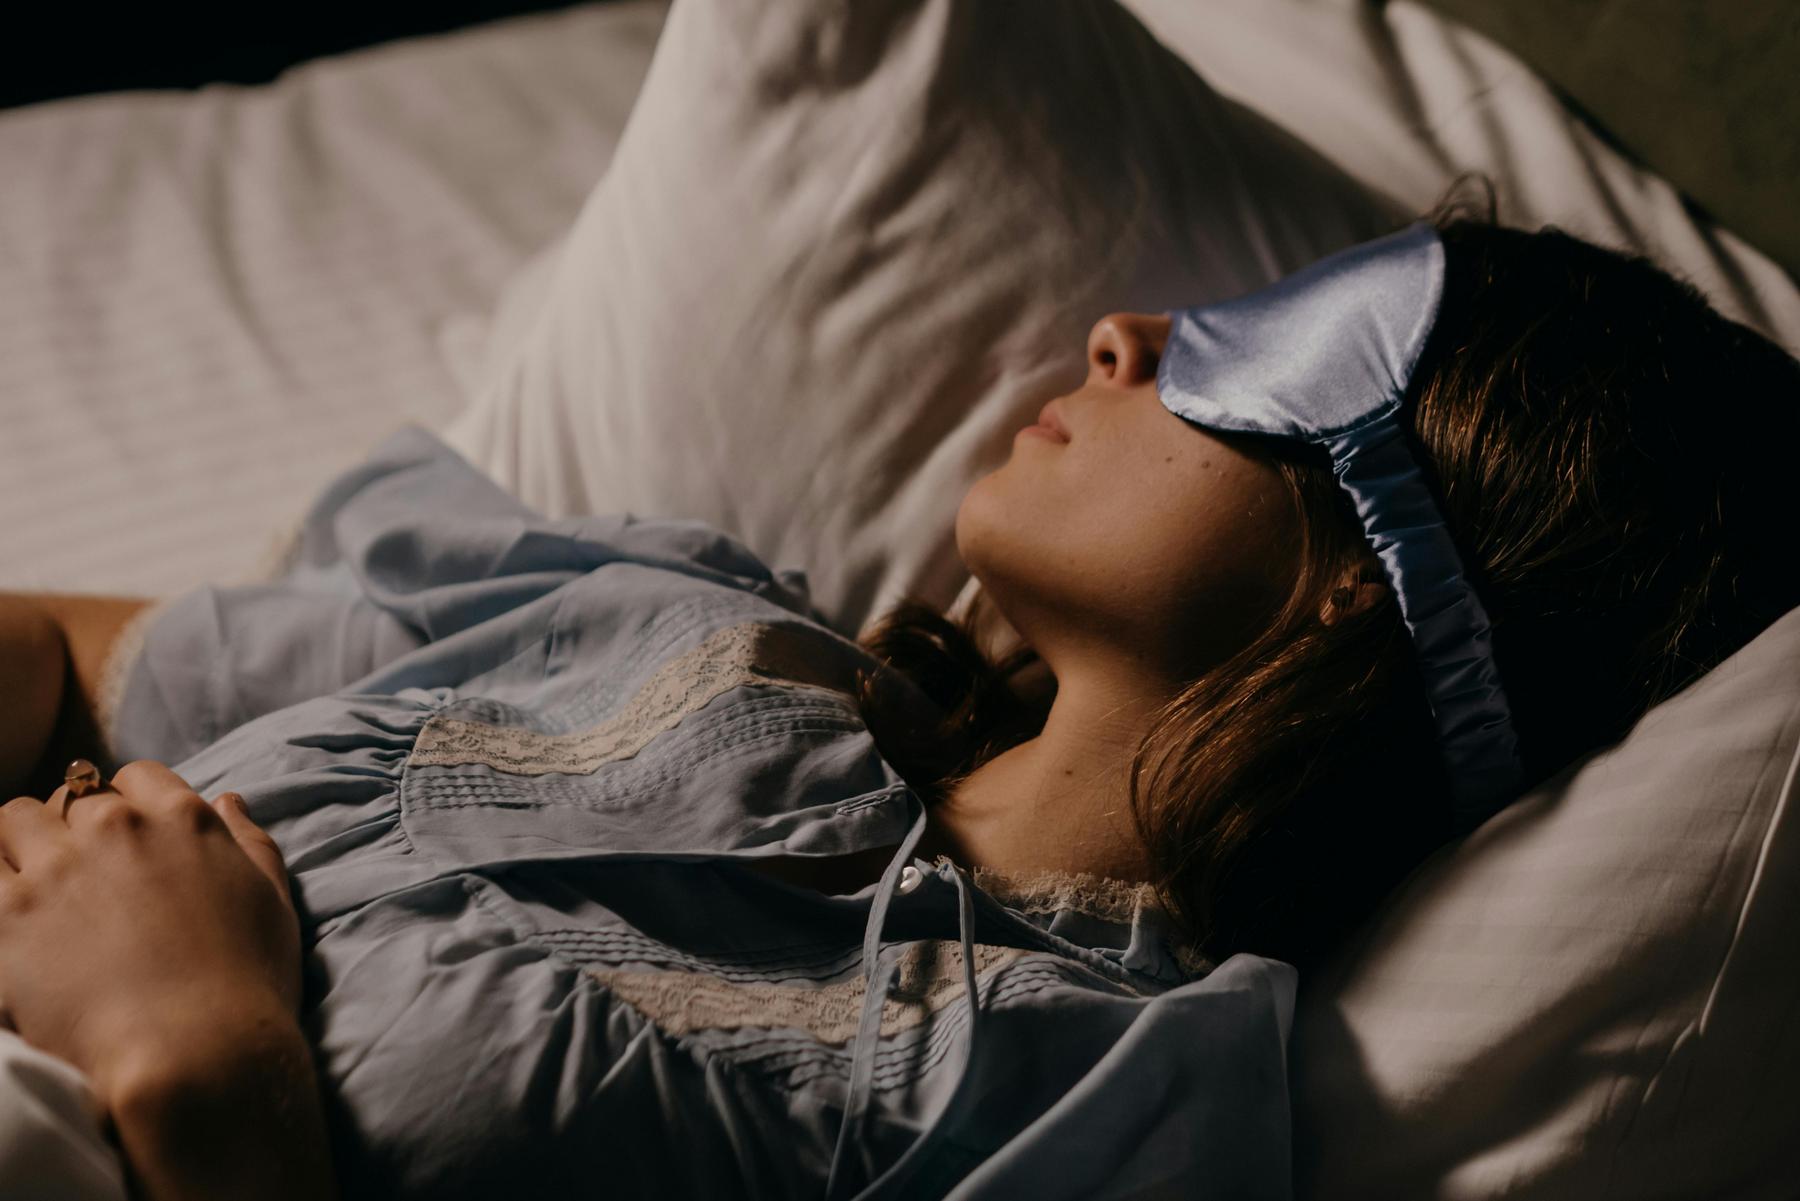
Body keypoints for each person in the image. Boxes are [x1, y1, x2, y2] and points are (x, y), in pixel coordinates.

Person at [1, 216, 1796, 1200]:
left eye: (1265, 342)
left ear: (1379, 572)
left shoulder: (1109, 1110)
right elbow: (69, 667)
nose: (1126, 334)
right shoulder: (674, 617)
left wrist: (211, 1079)